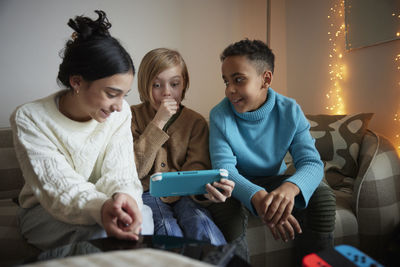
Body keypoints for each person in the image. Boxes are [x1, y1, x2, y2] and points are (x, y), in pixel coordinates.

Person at [10, 10, 153, 251]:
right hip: (46, 212)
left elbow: (121, 173)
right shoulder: (30, 118)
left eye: (124, 95)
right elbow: (58, 188)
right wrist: (103, 208)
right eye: (111, 93)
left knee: (140, 222)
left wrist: (123, 198)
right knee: (99, 237)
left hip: (106, 203)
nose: (119, 106)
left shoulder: (120, 114)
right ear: (76, 82)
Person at [208, 39, 336, 263]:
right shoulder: (220, 115)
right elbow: (224, 170)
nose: (229, 90)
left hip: (274, 180)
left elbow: (311, 163)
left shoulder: (290, 110)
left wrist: (290, 188)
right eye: (226, 81)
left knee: (323, 196)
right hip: (237, 183)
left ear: (265, 79)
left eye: (238, 80)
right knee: (222, 204)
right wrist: (256, 196)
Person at [131, 48, 235, 246]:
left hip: (184, 197)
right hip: (147, 194)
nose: (166, 92)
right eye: (156, 85)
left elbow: (196, 172)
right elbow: (136, 170)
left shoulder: (195, 122)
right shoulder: (132, 116)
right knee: (166, 226)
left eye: (175, 84)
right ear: (145, 85)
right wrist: (158, 123)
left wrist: (207, 190)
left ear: (184, 84)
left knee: (201, 222)